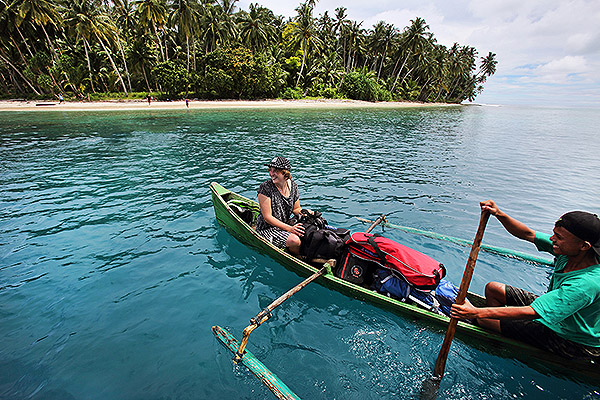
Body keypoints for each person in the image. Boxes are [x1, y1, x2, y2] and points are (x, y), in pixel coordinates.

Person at [451, 200, 600, 360]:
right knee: (493, 289)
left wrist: (475, 312)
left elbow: (531, 312)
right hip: (558, 312)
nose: (552, 239)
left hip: (572, 339)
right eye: (554, 233)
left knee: (484, 320)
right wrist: (499, 213)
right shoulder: (567, 251)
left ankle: (494, 329)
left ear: (584, 246)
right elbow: (528, 233)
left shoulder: (585, 283)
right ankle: (501, 329)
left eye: (558, 237)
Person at [256, 156, 306, 255]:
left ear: (285, 173)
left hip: (285, 224)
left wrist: (306, 213)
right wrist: (290, 229)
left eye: (275, 171)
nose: (271, 174)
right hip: (267, 229)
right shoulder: (265, 188)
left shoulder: (293, 186)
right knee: (294, 240)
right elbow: (267, 217)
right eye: (270, 170)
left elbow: (296, 209)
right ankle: (297, 258)